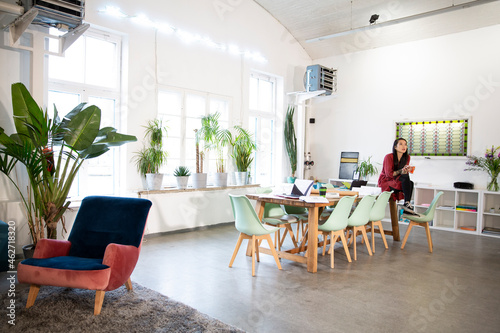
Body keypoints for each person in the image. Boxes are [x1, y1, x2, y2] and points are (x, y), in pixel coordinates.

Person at [378, 138, 417, 214]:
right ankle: (407, 205)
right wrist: (401, 171)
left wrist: (407, 170)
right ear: (395, 147)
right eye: (401, 144)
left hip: (398, 180)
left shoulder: (407, 157)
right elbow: (389, 175)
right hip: (386, 181)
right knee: (408, 181)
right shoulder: (389, 157)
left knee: (410, 183)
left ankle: (407, 203)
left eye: (405, 144)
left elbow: (403, 174)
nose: (404, 146)